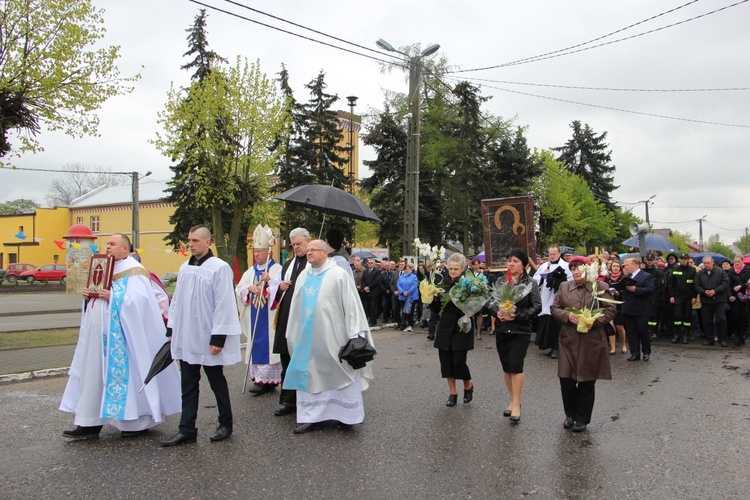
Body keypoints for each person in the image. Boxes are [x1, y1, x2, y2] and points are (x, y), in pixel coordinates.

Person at [60, 233, 181, 440]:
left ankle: (135, 422)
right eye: (107, 243)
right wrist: (89, 296)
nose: (107, 247)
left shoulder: (134, 270)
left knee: (129, 375)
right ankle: (89, 423)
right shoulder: (102, 266)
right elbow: (96, 299)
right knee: (93, 374)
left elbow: (140, 300)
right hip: (98, 336)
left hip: (124, 338)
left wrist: (114, 296)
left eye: (112, 244)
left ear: (125, 249)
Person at [160, 225, 242, 446]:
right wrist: (171, 329)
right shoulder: (185, 268)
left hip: (208, 336)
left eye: (195, 240)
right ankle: (187, 428)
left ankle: (226, 423)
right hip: (187, 336)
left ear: (208, 242)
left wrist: (218, 338)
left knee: (217, 382)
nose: (191, 244)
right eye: (189, 240)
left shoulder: (219, 268)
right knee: (188, 383)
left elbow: (224, 304)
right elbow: (176, 301)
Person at [284, 240, 375, 434]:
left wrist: (356, 335)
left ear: (324, 252)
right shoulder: (303, 276)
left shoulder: (338, 275)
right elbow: (295, 307)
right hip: (308, 339)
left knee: (341, 372)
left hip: (335, 338)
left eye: (312, 250)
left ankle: (345, 416)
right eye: (307, 250)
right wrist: (293, 331)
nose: (308, 253)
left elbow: (351, 306)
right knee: (311, 372)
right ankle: (312, 418)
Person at [550, 255, 616, 432]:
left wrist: (595, 320)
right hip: (568, 340)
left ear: (587, 269)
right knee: (566, 379)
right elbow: (554, 308)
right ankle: (570, 415)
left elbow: (611, 309)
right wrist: (567, 316)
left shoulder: (599, 287)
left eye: (579, 267)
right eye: (573, 268)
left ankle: (582, 418)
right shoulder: (564, 287)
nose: (576, 271)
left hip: (591, 341)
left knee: (587, 381)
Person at [488, 249, 541, 423]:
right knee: (506, 366)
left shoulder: (530, 283)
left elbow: (536, 307)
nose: (511, 264)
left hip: (521, 330)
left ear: (524, 264)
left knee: (516, 365)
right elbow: (492, 303)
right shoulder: (501, 281)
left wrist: (518, 315)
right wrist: (498, 313)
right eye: (509, 261)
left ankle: (517, 404)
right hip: (503, 330)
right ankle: (512, 400)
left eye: (515, 261)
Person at [266, 227, 310, 416]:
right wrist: (280, 286)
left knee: (303, 360)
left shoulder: (314, 263)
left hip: (303, 318)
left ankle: (306, 401)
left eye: (299, 244)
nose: (296, 248)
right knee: (287, 359)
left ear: (309, 241)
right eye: (293, 245)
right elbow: (273, 286)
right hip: (286, 317)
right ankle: (288, 401)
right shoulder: (289, 264)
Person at [235, 225, 283, 396]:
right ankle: (259, 379)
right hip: (255, 313)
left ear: (268, 252)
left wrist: (269, 282)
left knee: (269, 345)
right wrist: (249, 288)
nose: (256, 254)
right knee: (256, 343)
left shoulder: (276, 270)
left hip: (269, 317)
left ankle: (269, 382)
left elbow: (281, 290)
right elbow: (239, 288)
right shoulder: (250, 271)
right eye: (254, 251)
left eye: (260, 251)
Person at [433, 253, 476, 407]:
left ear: (463, 269)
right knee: (446, 362)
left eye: (456, 269)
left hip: (461, 327)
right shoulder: (443, 284)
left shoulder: (469, 284)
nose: (452, 271)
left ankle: (468, 385)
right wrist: (432, 298)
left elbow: (475, 305)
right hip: (445, 327)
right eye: (450, 268)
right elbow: (437, 309)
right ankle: (452, 392)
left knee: (459, 362)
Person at [533, 245, 572, 359]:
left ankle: (557, 348)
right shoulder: (544, 266)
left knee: (557, 323)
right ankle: (548, 344)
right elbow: (535, 279)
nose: (552, 256)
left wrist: (558, 279)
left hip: (558, 297)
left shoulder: (565, 265)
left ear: (560, 254)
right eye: (550, 254)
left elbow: (570, 280)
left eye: (554, 254)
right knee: (546, 321)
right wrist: (543, 276)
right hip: (546, 296)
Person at [622, 257, 656, 361]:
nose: (625, 267)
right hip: (628, 308)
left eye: (627, 265)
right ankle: (635, 353)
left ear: (635, 264)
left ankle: (646, 352)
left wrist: (635, 289)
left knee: (642, 331)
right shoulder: (626, 277)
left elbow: (650, 290)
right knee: (631, 332)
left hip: (641, 309)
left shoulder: (646, 276)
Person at [695, 255, 730, 347]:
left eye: (708, 263)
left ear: (712, 263)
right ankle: (709, 339)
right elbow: (696, 285)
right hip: (706, 299)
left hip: (719, 299)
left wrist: (715, 291)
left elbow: (725, 283)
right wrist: (704, 291)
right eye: (705, 263)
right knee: (707, 320)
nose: (706, 265)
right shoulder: (700, 273)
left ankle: (722, 339)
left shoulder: (721, 272)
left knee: (721, 319)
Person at [667, 253, 697, 344]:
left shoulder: (692, 270)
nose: (683, 260)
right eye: (682, 259)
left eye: (685, 259)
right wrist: (671, 296)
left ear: (688, 260)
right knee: (677, 316)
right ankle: (677, 335)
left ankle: (685, 335)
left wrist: (694, 297)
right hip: (678, 297)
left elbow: (695, 285)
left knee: (687, 316)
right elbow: (671, 284)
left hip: (688, 297)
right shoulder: (675, 270)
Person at [605, 259, 628, 354]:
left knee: (619, 326)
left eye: (617, 266)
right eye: (614, 266)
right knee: (610, 326)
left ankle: (623, 345)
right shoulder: (607, 278)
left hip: (619, 303)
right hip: (609, 303)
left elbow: (626, 291)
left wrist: (619, 293)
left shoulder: (623, 278)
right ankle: (613, 347)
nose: (615, 268)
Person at [642, 253, 666, 339]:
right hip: (644, 296)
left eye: (651, 260)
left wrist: (656, 294)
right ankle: (645, 331)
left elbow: (663, 285)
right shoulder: (642, 271)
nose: (649, 262)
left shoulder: (658, 272)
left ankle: (652, 331)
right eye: (648, 260)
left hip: (655, 297)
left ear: (654, 260)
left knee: (653, 316)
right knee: (645, 315)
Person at [728, 255, 749, 346]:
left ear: (742, 261)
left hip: (746, 296)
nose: (736, 263)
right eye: (735, 262)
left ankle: (742, 335)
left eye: (738, 261)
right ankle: (737, 331)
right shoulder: (731, 272)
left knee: (745, 315)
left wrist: (741, 286)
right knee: (736, 315)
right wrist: (730, 295)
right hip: (735, 296)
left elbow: (748, 282)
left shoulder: (747, 271)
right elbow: (728, 284)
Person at [397, 262, 419, 332]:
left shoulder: (414, 276)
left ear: (411, 269)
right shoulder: (401, 277)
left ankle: (410, 325)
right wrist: (402, 291)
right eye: (405, 269)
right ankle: (403, 324)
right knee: (404, 311)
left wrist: (408, 291)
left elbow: (414, 285)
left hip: (411, 297)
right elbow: (398, 285)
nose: (407, 270)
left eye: (408, 269)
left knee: (410, 311)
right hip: (403, 296)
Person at [361, 257, 382, 327]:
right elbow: (363, 280)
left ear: (374, 264)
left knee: (373, 307)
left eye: (371, 263)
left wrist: (369, 287)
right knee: (367, 307)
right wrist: (365, 287)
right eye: (369, 263)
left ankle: (373, 321)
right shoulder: (365, 271)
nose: (370, 264)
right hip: (366, 292)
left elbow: (377, 281)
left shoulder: (377, 271)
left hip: (373, 292)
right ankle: (368, 319)